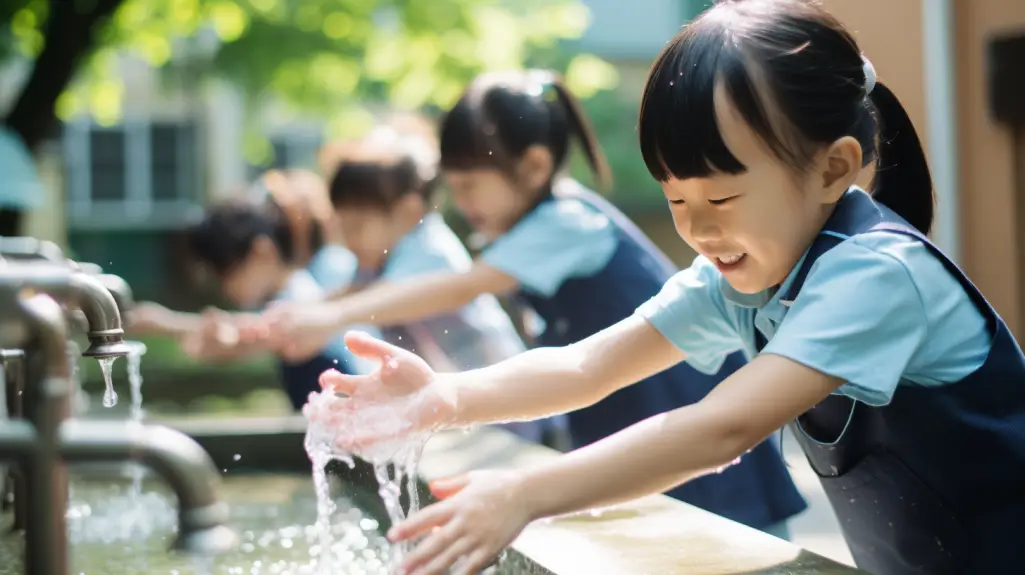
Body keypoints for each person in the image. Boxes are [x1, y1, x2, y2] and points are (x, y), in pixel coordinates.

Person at [308, 1, 1025, 573]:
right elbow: (588, 366)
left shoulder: (874, 276)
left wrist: (524, 493)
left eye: (719, 199)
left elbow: (721, 426)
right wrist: (445, 398)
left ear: (833, 168)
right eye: (676, 202)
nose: (698, 230)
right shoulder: (744, 276)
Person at [267, 70, 806, 539]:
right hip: (638, 431)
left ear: (533, 167)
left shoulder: (568, 223)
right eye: (453, 186)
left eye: (472, 183)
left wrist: (333, 317)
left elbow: (459, 285)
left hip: (696, 443)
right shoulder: (533, 231)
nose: (462, 202)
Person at [278, 118, 556, 443]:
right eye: (342, 227)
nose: (348, 240)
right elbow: (345, 297)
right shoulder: (377, 259)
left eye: (357, 226)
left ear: (409, 212)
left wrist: (327, 318)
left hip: (509, 410)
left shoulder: (429, 249)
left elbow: (384, 298)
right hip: (458, 413)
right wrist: (279, 324)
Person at [174, 170, 370, 410]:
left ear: (261, 252)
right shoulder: (297, 290)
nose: (225, 290)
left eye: (226, 275)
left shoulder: (299, 294)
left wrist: (164, 324)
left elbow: (256, 334)